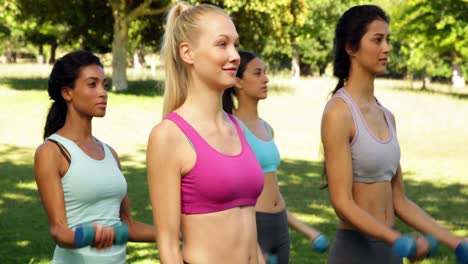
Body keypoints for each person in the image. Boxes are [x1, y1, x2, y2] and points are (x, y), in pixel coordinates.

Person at [321, 5, 467, 264]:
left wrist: (454, 241)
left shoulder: (387, 116)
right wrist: (396, 239)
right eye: (377, 40)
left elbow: (399, 199)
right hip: (355, 252)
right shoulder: (339, 113)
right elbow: (342, 203)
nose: (386, 48)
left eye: (388, 40)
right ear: (351, 47)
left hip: (390, 251)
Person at [146, 2, 265, 263]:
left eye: (235, 44)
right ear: (187, 53)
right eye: (222, 44)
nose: (235, 55)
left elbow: (247, 227)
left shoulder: (236, 127)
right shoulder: (169, 136)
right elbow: (168, 244)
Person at [33, 50, 156, 264]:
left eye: (104, 85)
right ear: (67, 93)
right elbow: (59, 232)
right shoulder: (51, 152)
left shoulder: (110, 153)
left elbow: (128, 225)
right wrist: (91, 235)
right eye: (92, 84)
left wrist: (178, 233)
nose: (103, 93)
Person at [223, 50, 327, 263]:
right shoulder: (231, 129)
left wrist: (306, 230)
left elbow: (272, 193)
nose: (266, 79)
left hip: (279, 226)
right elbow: (231, 198)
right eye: (258, 73)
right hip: (254, 227)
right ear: (238, 82)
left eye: (265, 73)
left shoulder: (267, 129)